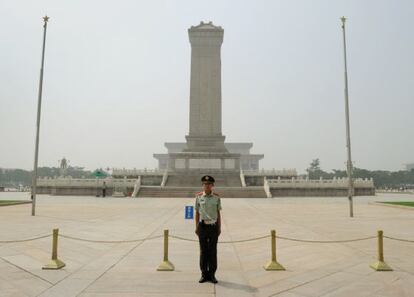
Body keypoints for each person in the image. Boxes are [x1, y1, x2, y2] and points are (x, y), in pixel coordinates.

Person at [194, 175, 221, 284]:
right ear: (202, 185)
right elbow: (197, 212)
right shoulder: (198, 197)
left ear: (212, 185)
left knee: (213, 251)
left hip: (213, 227)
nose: (207, 186)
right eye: (205, 184)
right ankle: (204, 274)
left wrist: (219, 227)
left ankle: (212, 274)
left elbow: (218, 213)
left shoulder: (217, 198)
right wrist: (196, 227)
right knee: (203, 251)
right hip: (202, 227)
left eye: (209, 184)